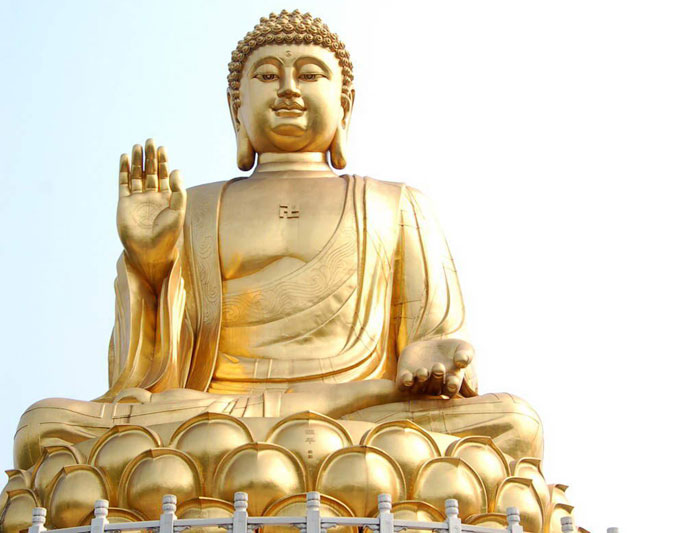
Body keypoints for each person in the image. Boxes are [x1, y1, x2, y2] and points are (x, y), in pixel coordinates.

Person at [14, 10, 542, 472]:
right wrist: (150, 263)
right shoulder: (192, 208)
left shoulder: (394, 203)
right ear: (236, 108)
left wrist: (432, 354)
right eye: (267, 76)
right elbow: (150, 379)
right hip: (214, 412)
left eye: (310, 74)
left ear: (345, 104)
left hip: (363, 407)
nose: (288, 88)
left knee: (513, 422)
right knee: (43, 426)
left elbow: (435, 335)